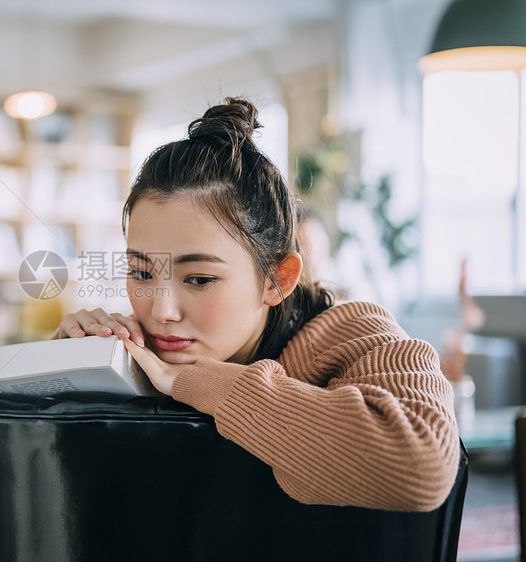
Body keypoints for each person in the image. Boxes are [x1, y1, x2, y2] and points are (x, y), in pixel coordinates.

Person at [51, 97, 460, 512]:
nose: (161, 312)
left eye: (199, 279)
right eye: (142, 273)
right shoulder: (135, 349)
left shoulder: (358, 335)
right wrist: (69, 368)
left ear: (277, 279)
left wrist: (193, 381)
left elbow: (420, 471)